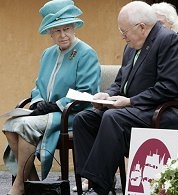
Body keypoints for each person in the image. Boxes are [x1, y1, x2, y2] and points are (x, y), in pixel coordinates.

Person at [72, 1, 178, 195]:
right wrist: (108, 95)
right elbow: (120, 82)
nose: (123, 37)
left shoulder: (168, 41)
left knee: (112, 118)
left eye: (124, 32)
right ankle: (93, 183)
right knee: (84, 119)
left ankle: (99, 187)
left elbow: (168, 87)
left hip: (167, 111)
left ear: (142, 27)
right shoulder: (132, 46)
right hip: (137, 110)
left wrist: (129, 101)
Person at [2, 0, 101, 195]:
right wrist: (38, 102)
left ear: (74, 27)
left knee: (25, 126)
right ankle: (33, 182)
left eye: (66, 28)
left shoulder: (86, 53)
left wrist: (55, 105)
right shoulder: (47, 54)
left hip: (73, 114)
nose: (63, 35)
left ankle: (19, 185)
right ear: (49, 33)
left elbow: (86, 93)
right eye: (56, 30)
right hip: (49, 113)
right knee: (10, 126)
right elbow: (38, 85)